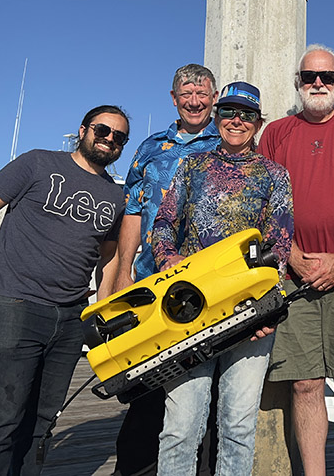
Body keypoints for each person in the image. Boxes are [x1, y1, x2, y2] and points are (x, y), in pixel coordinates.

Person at [0, 105, 129, 475]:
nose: (109, 139)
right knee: (1, 421)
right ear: (83, 130)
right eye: (102, 130)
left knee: (42, 423)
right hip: (13, 305)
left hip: (70, 318)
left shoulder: (116, 196)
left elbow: (108, 255)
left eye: (119, 136)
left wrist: (103, 306)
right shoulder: (38, 163)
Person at [151, 81, 293, 476]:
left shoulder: (275, 175)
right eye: (228, 111)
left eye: (247, 114)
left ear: (258, 123)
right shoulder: (191, 166)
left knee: (238, 428)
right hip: (191, 313)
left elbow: (280, 245)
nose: (237, 120)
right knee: (180, 428)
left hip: (249, 314)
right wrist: (169, 263)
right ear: (217, 117)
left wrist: (266, 309)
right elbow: (163, 223)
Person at [258, 44, 334, 476]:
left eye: (327, 76)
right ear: (298, 83)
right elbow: (262, 203)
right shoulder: (276, 133)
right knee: (305, 385)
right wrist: (290, 254)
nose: (318, 83)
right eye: (309, 77)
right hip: (294, 276)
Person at [108, 64, 220, 476]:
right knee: (147, 387)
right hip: (151, 281)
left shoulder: (228, 141)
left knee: (206, 392)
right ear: (173, 99)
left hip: (208, 285)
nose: (194, 101)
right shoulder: (151, 147)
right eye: (186, 94)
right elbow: (132, 211)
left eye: (202, 94)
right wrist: (122, 273)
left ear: (213, 98)